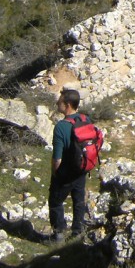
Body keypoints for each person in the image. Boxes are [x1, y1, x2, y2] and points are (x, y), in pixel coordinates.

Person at [48, 88, 89, 243]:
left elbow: (57, 157)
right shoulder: (86, 119)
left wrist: (55, 174)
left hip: (66, 171)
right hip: (82, 168)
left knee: (56, 200)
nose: (58, 102)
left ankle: (58, 234)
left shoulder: (61, 126)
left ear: (68, 105)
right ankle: (77, 232)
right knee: (78, 200)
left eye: (60, 101)